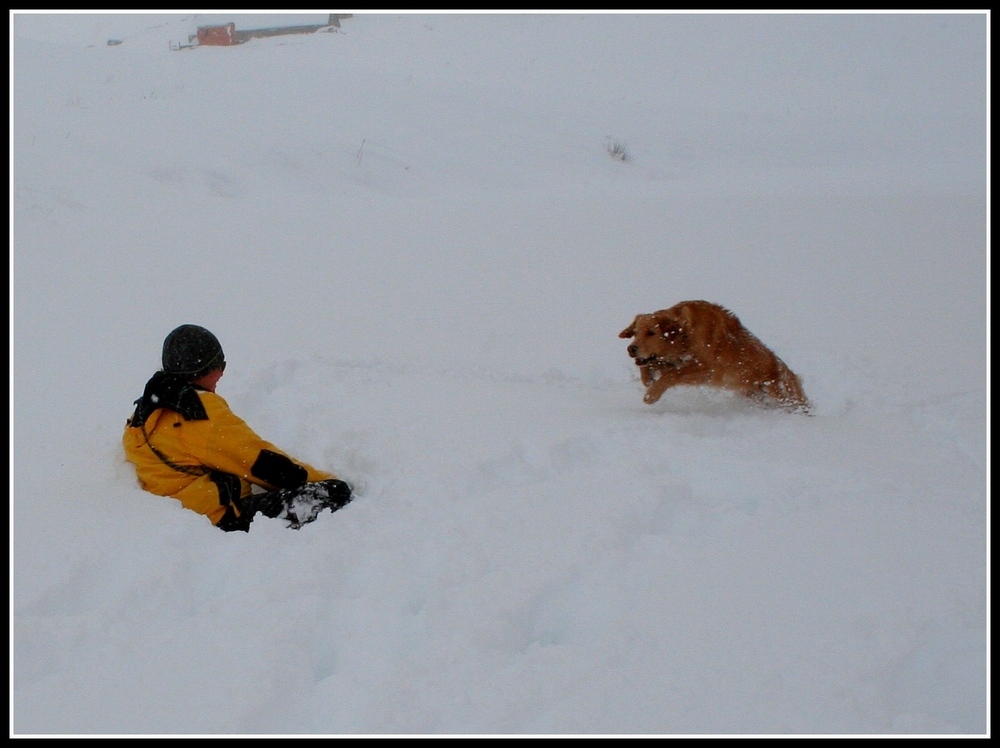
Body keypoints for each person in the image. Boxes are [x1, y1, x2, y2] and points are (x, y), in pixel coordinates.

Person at [123, 324, 352, 532]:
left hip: (179, 505)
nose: (222, 373)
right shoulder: (197, 413)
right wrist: (322, 481)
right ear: (205, 370)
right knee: (334, 494)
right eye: (219, 365)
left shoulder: (148, 407)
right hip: (216, 516)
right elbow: (259, 462)